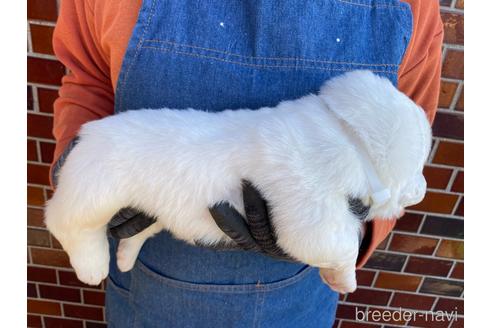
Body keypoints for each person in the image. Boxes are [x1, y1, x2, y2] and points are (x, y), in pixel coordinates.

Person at [50, 0, 443, 326]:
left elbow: (407, 138)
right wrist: (77, 168)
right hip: (151, 290)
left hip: (298, 301)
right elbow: (89, 77)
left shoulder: (413, 7)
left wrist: (357, 230)